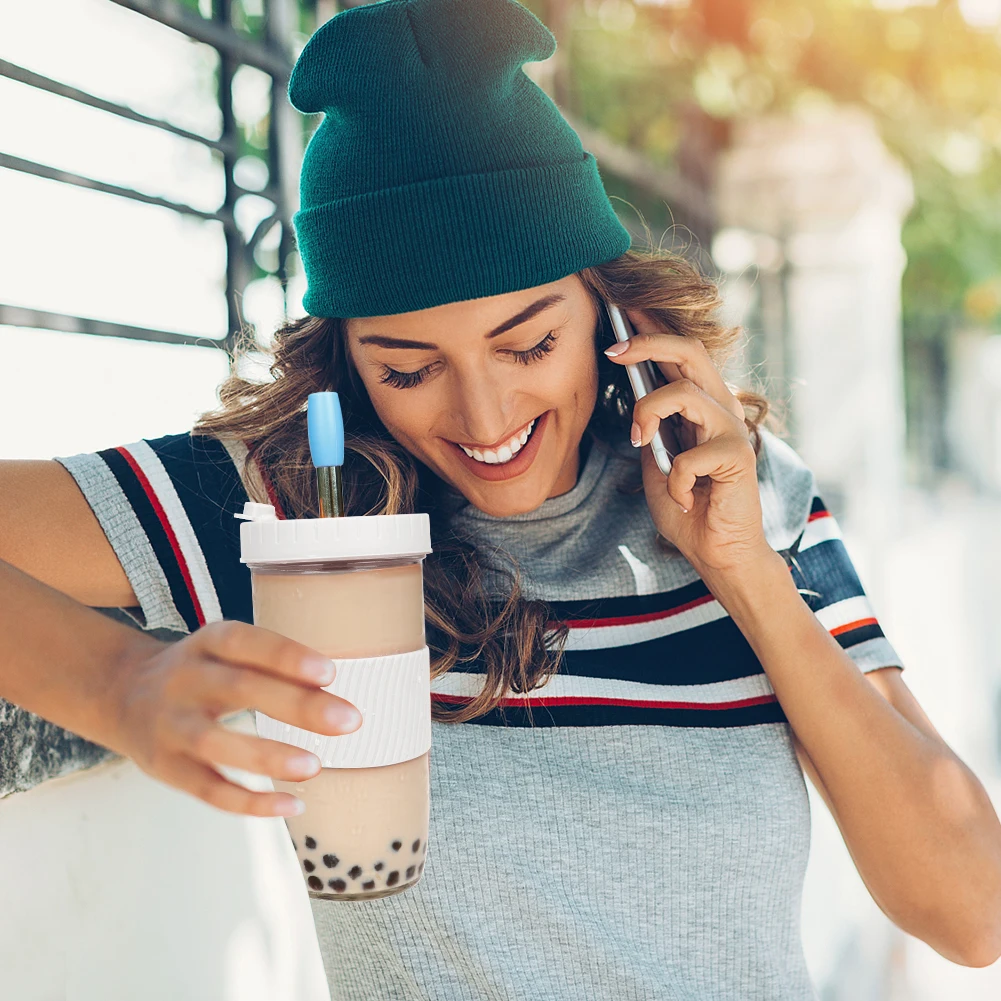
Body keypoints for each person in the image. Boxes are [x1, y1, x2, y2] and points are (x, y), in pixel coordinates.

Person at [2, 0, 1000, 997]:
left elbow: (968, 908)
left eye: (527, 344)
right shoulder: (291, 514)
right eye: (406, 369)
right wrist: (118, 685)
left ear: (609, 307)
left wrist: (742, 572)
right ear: (345, 364)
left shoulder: (738, 484)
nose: (483, 416)